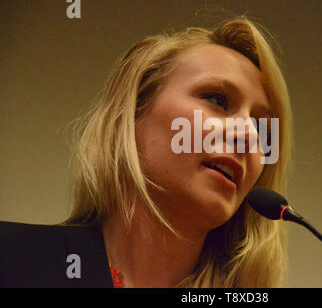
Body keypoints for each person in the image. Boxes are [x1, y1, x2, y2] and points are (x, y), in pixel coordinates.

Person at [0, 16, 294, 288]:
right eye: (217, 99)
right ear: (133, 113)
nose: (248, 135)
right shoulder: (11, 259)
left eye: (261, 127)